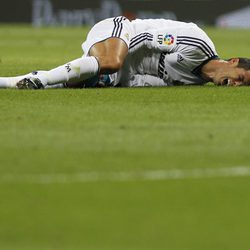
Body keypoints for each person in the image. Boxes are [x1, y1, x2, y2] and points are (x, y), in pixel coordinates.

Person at [0, 16, 250, 89]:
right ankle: (41, 80)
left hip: (120, 66)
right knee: (110, 62)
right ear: (234, 61)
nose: (235, 85)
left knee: (73, 85)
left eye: (242, 86)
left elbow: (145, 80)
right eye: (241, 77)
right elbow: (143, 38)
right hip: (120, 32)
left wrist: (115, 81)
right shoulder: (198, 44)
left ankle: (14, 82)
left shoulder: (194, 82)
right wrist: (113, 65)